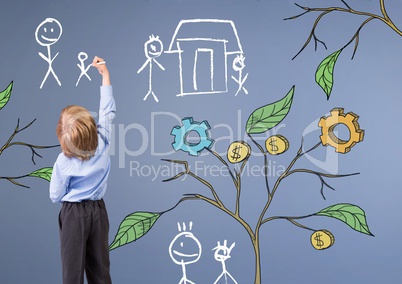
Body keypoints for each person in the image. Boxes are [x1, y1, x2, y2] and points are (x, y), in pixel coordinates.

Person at [49, 56, 115, 284]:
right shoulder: (104, 141)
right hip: (98, 212)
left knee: (72, 272)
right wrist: (104, 73)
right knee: (100, 270)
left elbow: (55, 195)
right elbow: (107, 111)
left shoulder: (63, 162)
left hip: (73, 215)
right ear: (91, 128)